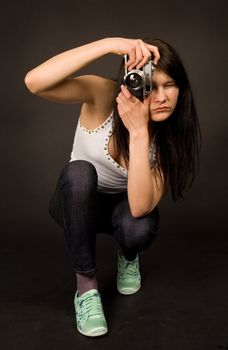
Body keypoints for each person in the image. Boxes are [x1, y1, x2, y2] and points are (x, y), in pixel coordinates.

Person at [24, 37, 201, 337]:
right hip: (76, 201)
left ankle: (128, 256)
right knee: (80, 172)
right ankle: (86, 290)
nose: (160, 97)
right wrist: (108, 44)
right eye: (150, 85)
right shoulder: (105, 94)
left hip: (123, 208)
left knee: (138, 228)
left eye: (169, 85)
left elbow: (140, 208)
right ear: (131, 82)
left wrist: (139, 131)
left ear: (181, 89)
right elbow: (34, 82)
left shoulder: (170, 138)